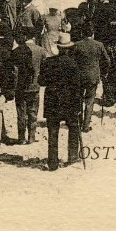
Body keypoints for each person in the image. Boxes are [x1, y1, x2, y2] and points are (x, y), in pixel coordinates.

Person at [38, 32, 84, 170]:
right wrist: (78, 105)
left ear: (58, 47)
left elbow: (41, 81)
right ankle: (72, 157)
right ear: (69, 48)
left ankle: (53, 162)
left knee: (53, 131)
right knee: (74, 129)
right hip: (69, 102)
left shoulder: (49, 62)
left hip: (52, 101)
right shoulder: (73, 64)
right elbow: (77, 86)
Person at [73, 25, 110, 133]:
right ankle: (85, 126)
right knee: (90, 101)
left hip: (79, 76)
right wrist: (104, 72)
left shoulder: (77, 45)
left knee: (78, 99)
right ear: (93, 34)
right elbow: (107, 60)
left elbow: (73, 60)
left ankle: (78, 122)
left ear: (82, 34)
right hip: (93, 76)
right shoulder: (99, 45)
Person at [11, 27, 44, 144]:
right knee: (33, 112)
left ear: (24, 37)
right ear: (34, 37)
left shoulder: (17, 51)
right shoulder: (41, 50)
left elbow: (14, 71)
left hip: (20, 86)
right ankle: (31, 137)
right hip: (35, 86)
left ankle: (21, 138)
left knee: (21, 113)